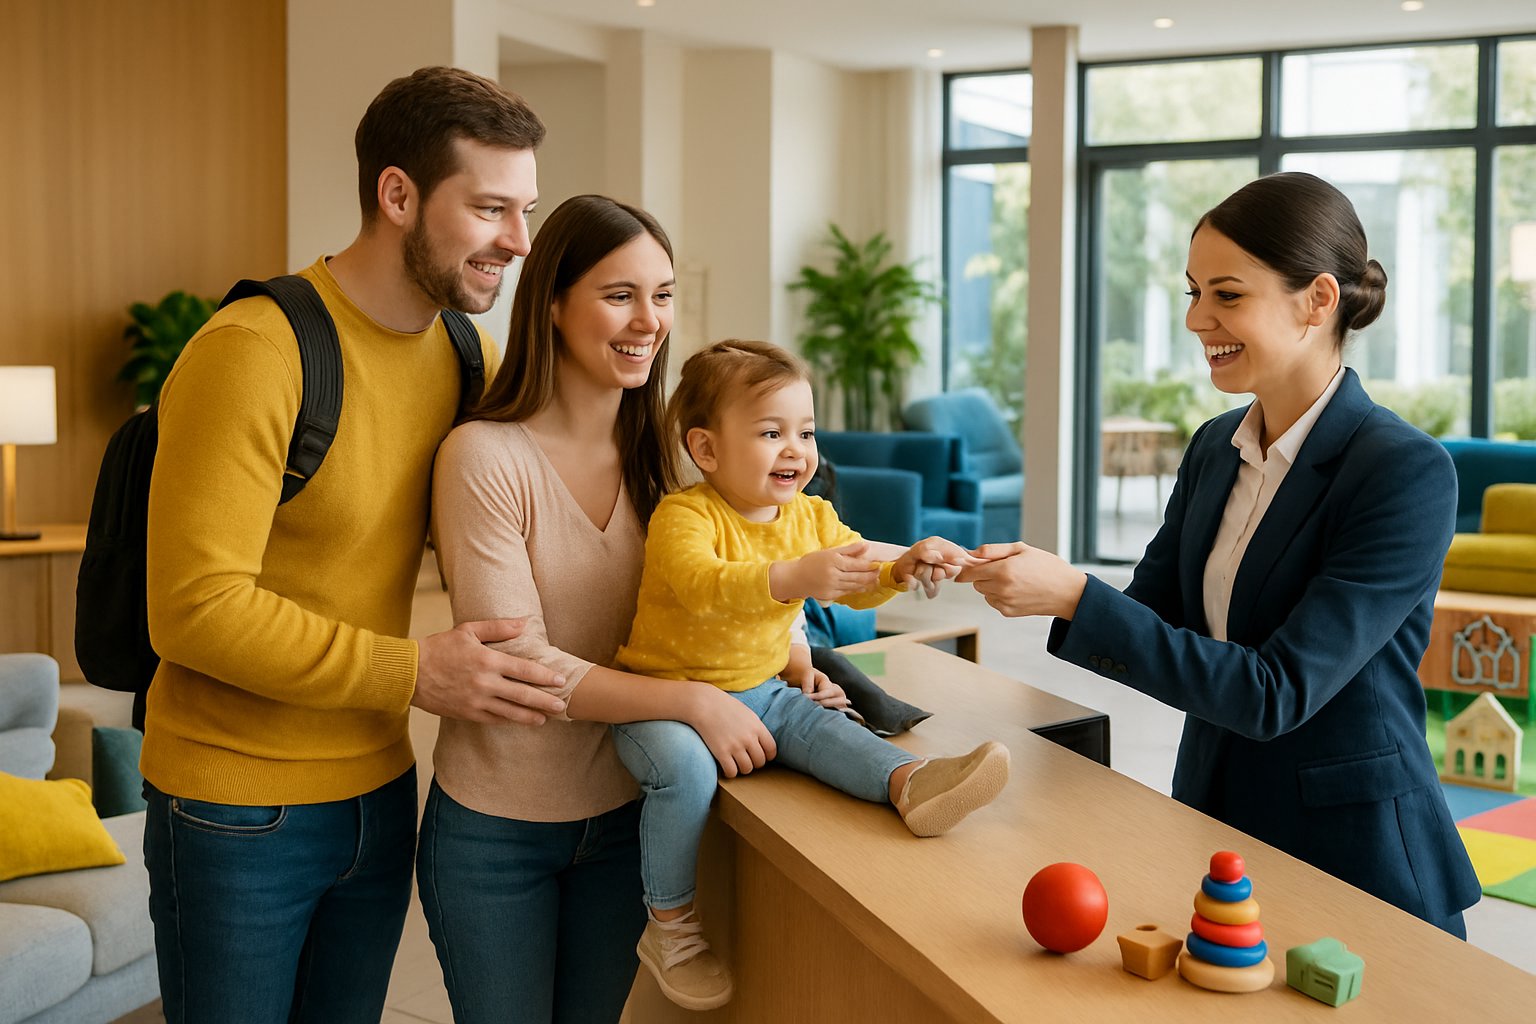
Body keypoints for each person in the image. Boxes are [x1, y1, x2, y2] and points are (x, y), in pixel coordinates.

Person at [140, 67, 569, 1024]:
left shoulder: (465, 356)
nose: (518, 241)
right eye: (491, 207)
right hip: (234, 809)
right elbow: (192, 609)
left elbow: (560, 504)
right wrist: (409, 671)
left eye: (525, 209)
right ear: (398, 194)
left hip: (380, 794)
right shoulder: (255, 351)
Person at [957, 171, 1480, 936]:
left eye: (1227, 295)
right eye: (1192, 291)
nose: (1199, 318)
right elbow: (1152, 617)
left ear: (1319, 300)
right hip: (1217, 821)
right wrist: (1017, 574)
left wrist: (1073, 595)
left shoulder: (1402, 470)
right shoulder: (1214, 448)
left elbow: (1276, 692)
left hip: (1358, 856)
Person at [424, 195, 784, 1023]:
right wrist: (694, 700)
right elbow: (523, 668)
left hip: (627, 820)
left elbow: (733, 580)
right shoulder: (483, 456)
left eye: (661, 296)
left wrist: (795, 660)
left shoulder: (664, 452)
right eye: (619, 294)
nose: (648, 320)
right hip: (496, 835)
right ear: (552, 302)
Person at [611, 339, 1012, 1010]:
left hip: (763, 689)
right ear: (707, 450)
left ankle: (912, 783)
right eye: (771, 432)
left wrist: (902, 566)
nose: (797, 449)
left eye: (806, 431)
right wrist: (796, 575)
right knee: (685, 769)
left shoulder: (810, 516)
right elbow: (702, 584)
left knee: (823, 723)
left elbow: (856, 569)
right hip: (666, 702)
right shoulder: (685, 514)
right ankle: (671, 927)